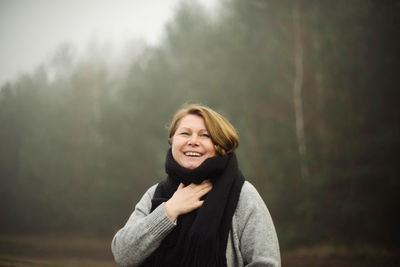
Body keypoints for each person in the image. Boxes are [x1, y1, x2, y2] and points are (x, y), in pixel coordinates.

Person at [111, 104, 281, 267]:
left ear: (220, 145)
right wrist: (169, 210)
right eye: (185, 133)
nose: (193, 141)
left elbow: (266, 263)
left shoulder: (243, 195)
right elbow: (123, 255)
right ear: (172, 142)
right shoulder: (155, 193)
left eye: (205, 135)